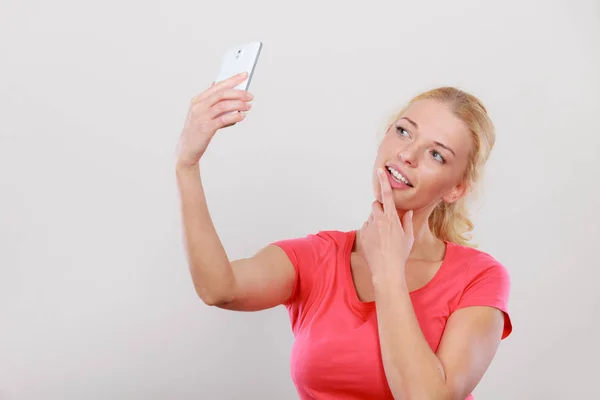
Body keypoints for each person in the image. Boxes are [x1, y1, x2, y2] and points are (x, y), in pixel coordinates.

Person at [175, 71, 512, 400]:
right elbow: (220, 289)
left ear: (456, 189)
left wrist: (389, 273)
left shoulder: (479, 278)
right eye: (404, 132)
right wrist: (187, 165)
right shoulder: (320, 256)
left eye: (436, 154)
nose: (407, 155)